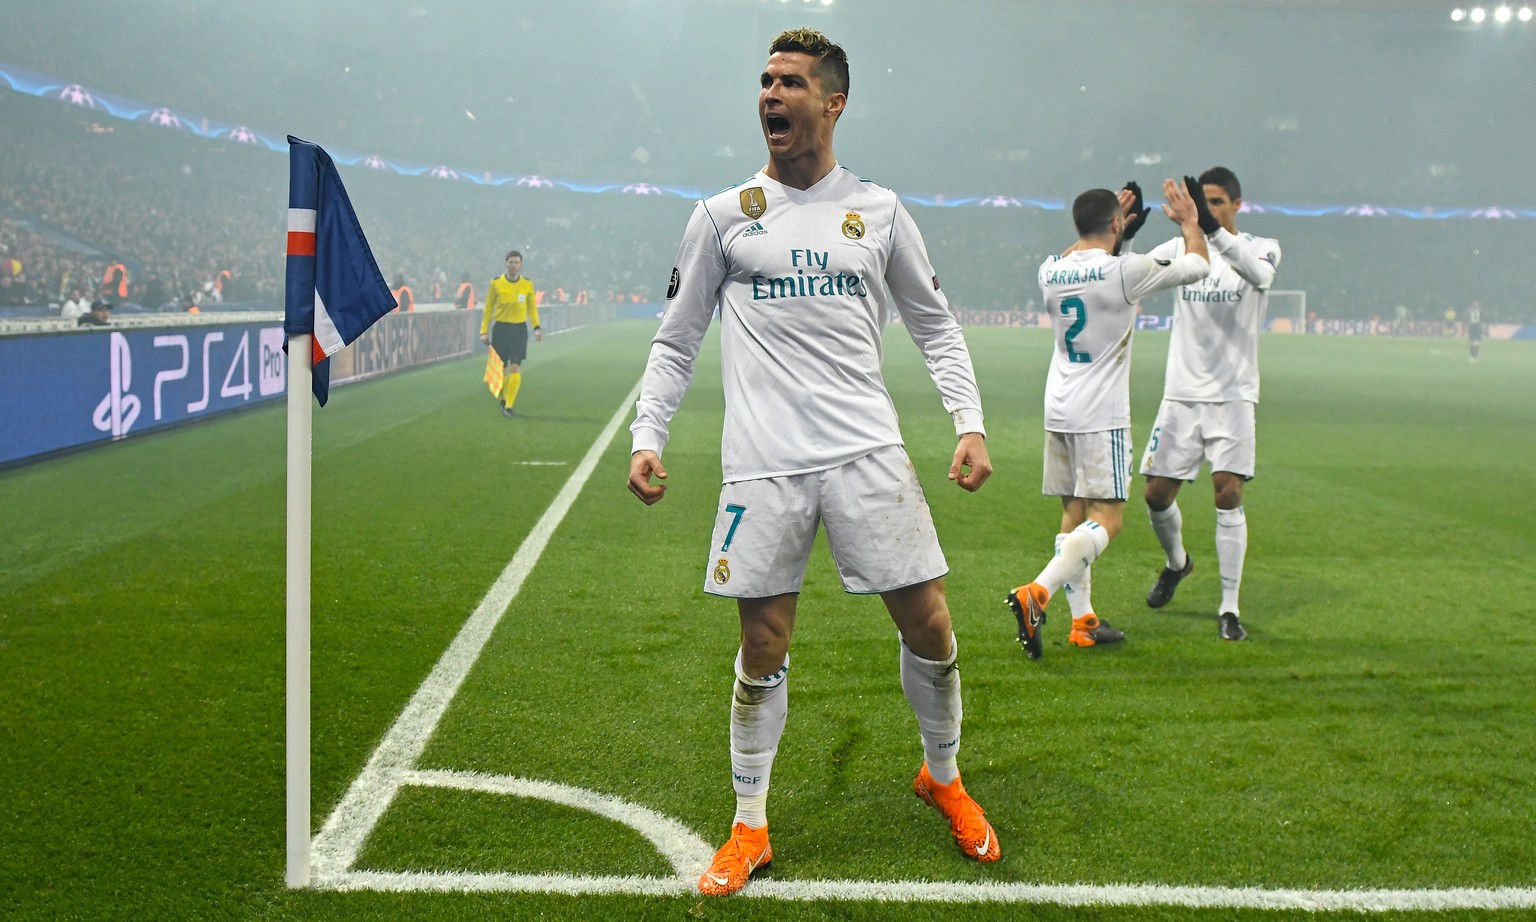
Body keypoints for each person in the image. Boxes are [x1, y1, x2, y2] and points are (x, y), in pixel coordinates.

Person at [626, 28, 998, 897]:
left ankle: (941, 775)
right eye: (764, 81)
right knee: (763, 641)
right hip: (763, 466)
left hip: (868, 451)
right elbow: (676, 342)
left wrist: (968, 422)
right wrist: (649, 436)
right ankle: (749, 825)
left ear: (832, 103)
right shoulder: (721, 217)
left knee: (931, 624)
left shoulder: (881, 211)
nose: (771, 94)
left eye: (790, 82)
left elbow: (935, 324)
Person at [1006, 180, 1211, 659]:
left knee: (1073, 514)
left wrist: (1106, 226)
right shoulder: (1123, 271)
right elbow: (1198, 266)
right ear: (1119, 225)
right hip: (1102, 415)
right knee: (1108, 521)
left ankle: (1083, 622)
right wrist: (1189, 223)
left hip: (1058, 407)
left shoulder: (1050, 270)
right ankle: (1036, 592)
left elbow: (1074, 250)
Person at [1135, 167, 1282, 643]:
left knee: (1228, 492)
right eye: (1205, 203)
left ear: (1237, 206)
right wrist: (1119, 238)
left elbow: (1258, 276)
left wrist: (1209, 229)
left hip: (1233, 396)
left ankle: (1229, 608)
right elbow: (1132, 272)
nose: (1209, 210)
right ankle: (1178, 564)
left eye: (1217, 202)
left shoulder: (1262, 246)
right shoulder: (1182, 248)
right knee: (1156, 496)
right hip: (1181, 395)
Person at [479, 250, 540, 418]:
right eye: (511, 262)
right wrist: (484, 330)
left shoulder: (527, 284)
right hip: (500, 329)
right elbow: (489, 308)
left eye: (517, 262)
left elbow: (532, 308)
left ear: (520, 265)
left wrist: (536, 327)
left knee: (515, 366)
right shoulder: (496, 283)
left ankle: (509, 406)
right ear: (506, 263)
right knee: (500, 370)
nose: (513, 265)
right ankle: (504, 399)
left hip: (519, 330)